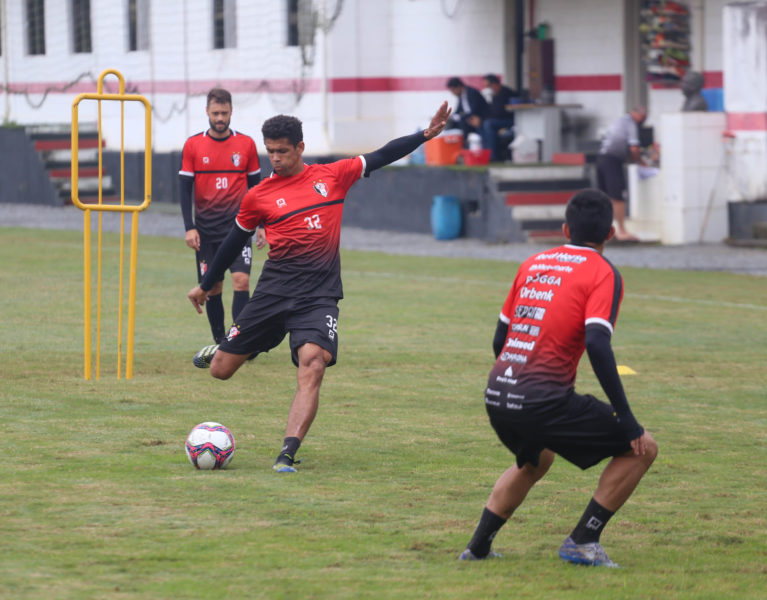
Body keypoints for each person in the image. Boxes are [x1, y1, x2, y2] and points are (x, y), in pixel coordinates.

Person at [187, 101, 453, 473]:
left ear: (300, 148)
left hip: (318, 296)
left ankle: (287, 453)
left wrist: (423, 135)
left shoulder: (333, 176)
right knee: (220, 370)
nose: (275, 158)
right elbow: (235, 241)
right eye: (270, 151)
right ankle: (235, 344)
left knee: (313, 365)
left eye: (282, 151)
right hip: (275, 291)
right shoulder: (259, 195)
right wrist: (205, 284)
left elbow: (381, 155)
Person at [458, 188, 657, 567]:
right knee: (642, 447)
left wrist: (518, 381)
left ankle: (478, 548)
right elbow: (598, 344)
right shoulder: (603, 272)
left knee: (536, 460)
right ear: (610, 234)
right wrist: (626, 418)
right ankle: (582, 541)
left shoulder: (532, 263)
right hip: (540, 399)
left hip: (498, 394)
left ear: (565, 228)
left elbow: (501, 338)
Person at [180, 88, 265, 344]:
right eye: (215, 113)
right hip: (206, 232)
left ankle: (238, 342)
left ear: (231, 112)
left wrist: (261, 223)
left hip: (239, 228)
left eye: (224, 113)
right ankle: (220, 343)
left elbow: (257, 189)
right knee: (213, 287)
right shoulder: (193, 145)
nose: (220, 118)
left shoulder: (246, 144)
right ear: (207, 112)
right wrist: (189, 227)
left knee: (241, 280)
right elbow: (185, 191)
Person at [595, 107, 648, 242]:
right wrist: (639, 160)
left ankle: (604, 230)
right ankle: (622, 231)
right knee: (618, 196)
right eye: (643, 116)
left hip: (601, 158)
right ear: (637, 114)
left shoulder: (618, 121)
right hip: (612, 160)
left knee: (606, 196)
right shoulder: (630, 124)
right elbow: (634, 147)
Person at [479, 74, 516, 162]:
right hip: (498, 122)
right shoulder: (494, 95)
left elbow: (500, 113)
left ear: (495, 84)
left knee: (488, 124)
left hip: (510, 121)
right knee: (482, 125)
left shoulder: (507, 93)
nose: (486, 89)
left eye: (488, 86)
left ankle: (493, 156)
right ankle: (486, 154)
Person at [446, 77, 489, 146]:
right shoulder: (461, 96)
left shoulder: (472, 92)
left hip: (480, 117)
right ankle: (453, 147)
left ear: (459, 87)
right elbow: (459, 110)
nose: (453, 93)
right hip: (468, 118)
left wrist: (461, 116)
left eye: (453, 90)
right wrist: (451, 116)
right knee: (451, 124)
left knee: (463, 124)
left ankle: (464, 147)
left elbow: (474, 110)